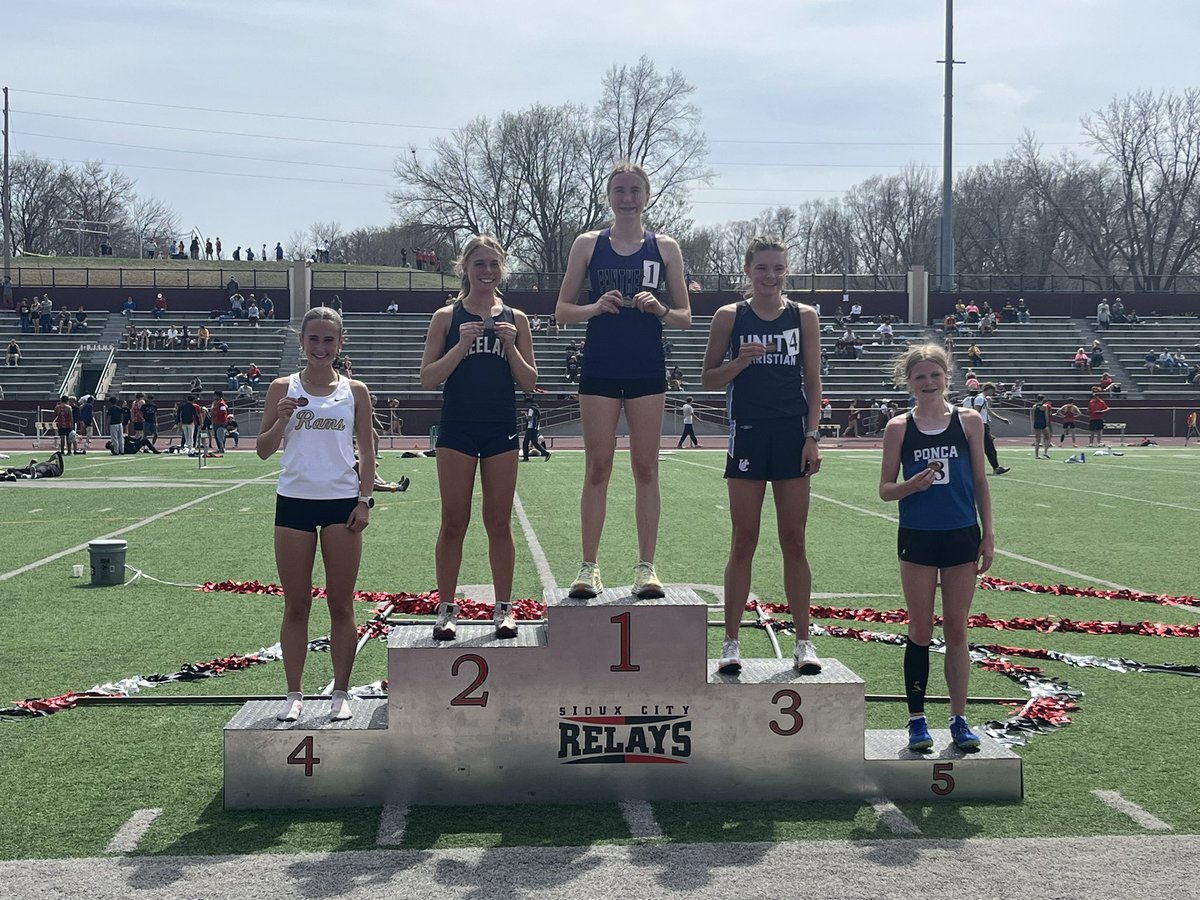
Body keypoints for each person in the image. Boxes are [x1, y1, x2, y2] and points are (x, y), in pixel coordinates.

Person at [553, 161, 691, 600]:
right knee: (597, 468)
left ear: (646, 196)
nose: (627, 197)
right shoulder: (588, 244)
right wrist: (596, 307)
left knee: (646, 468)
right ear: (608, 196)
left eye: (634, 190)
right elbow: (562, 311)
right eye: (620, 190)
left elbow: (685, 318)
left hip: (647, 368)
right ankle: (588, 567)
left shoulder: (665, 247)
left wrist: (660, 310)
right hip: (600, 368)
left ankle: (646, 567)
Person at [703, 236, 824, 675]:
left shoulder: (803, 316)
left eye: (777, 269)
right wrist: (740, 362)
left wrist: (813, 436)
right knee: (743, 539)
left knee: (794, 540)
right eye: (762, 268)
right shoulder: (730, 316)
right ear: (748, 270)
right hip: (749, 432)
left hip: (792, 434)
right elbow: (709, 379)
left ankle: (804, 641)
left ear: (786, 271)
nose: (770, 277)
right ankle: (731, 641)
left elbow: (813, 382)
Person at [256, 307, 376, 723]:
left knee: (342, 603)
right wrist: (282, 419)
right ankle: (294, 693)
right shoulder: (280, 388)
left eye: (329, 340)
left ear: (340, 344)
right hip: (293, 503)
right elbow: (264, 449)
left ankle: (341, 691)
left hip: (342, 504)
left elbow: (368, 449)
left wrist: (365, 500)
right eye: (314, 339)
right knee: (296, 604)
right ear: (301, 342)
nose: (321, 348)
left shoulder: (355, 390)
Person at [419, 235, 538, 640]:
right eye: (479, 264)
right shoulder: (445, 317)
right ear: (465, 268)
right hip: (457, 428)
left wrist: (510, 345)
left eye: (493, 264)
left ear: (502, 268)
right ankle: (446, 610)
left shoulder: (516, 319)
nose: (487, 272)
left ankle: (504, 609)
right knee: (454, 521)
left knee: (499, 522)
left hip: (501, 426)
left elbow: (530, 381)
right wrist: (463, 344)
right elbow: (428, 378)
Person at [879, 343, 994, 753]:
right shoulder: (898, 427)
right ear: (908, 382)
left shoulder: (969, 422)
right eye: (919, 377)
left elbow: (980, 481)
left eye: (934, 375)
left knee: (958, 628)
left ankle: (959, 718)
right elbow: (885, 490)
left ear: (948, 377)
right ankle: (916, 719)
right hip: (918, 534)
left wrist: (988, 532)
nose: (928, 383)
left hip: (962, 532)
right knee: (921, 627)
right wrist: (913, 485)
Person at [963, 383, 1010, 474]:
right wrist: (978, 426)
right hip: (981, 424)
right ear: (989, 389)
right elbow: (976, 412)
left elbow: (989, 412)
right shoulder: (980, 398)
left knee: (986, 447)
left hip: (983, 425)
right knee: (989, 447)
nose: (993, 393)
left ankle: (995, 467)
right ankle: (996, 467)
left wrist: (1002, 419)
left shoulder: (982, 399)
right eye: (993, 391)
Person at [1030, 394, 1054, 458]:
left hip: (1036, 423)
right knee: (1048, 438)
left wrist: (1033, 424)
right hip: (1043, 423)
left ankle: (1036, 455)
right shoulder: (1044, 406)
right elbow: (1046, 416)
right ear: (1043, 399)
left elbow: (1032, 416)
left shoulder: (1034, 406)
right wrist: (1047, 423)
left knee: (1037, 440)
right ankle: (1045, 452)